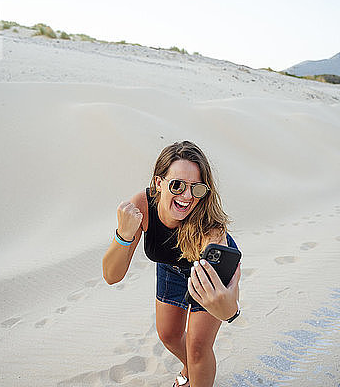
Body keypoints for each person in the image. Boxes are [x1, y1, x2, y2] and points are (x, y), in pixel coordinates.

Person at [103, 141, 241, 387]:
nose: (187, 197)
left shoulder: (211, 230)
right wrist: (123, 236)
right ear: (158, 183)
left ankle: (197, 371)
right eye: (177, 185)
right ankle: (192, 368)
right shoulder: (142, 206)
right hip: (169, 267)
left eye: (196, 189)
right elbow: (111, 276)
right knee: (169, 335)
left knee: (198, 347)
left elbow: (229, 310)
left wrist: (227, 305)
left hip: (203, 273)